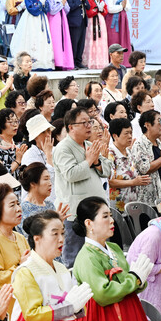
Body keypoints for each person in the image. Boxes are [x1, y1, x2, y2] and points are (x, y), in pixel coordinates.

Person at [53, 108, 111, 267]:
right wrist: (89, 161)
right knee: (76, 255)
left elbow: (107, 170)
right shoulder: (63, 148)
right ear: (71, 127)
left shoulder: (90, 144)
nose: (89, 126)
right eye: (84, 123)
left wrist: (96, 162)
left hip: (96, 210)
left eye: (90, 122)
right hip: (75, 213)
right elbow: (71, 174)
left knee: (99, 253)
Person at [9, 0, 53, 70]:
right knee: (31, 36)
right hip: (31, 19)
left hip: (41, 19)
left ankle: (42, 59)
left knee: (41, 38)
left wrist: (45, 4)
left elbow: (46, 10)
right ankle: (31, 59)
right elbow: (31, 9)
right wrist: (40, 3)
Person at [129, 110, 161, 205]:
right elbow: (144, 168)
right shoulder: (140, 144)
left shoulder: (160, 144)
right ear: (147, 125)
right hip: (150, 199)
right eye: (159, 121)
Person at [65, 0, 89, 68]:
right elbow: (70, 7)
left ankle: (79, 61)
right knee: (74, 43)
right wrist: (79, 0)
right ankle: (73, 62)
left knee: (81, 43)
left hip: (83, 21)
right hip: (74, 22)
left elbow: (88, 6)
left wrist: (83, 0)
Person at [83, 0, 108, 70]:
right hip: (92, 23)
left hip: (101, 21)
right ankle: (91, 61)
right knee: (92, 41)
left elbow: (105, 12)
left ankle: (101, 62)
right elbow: (89, 13)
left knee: (101, 41)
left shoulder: (102, 0)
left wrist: (102, 9)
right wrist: (97, 9)